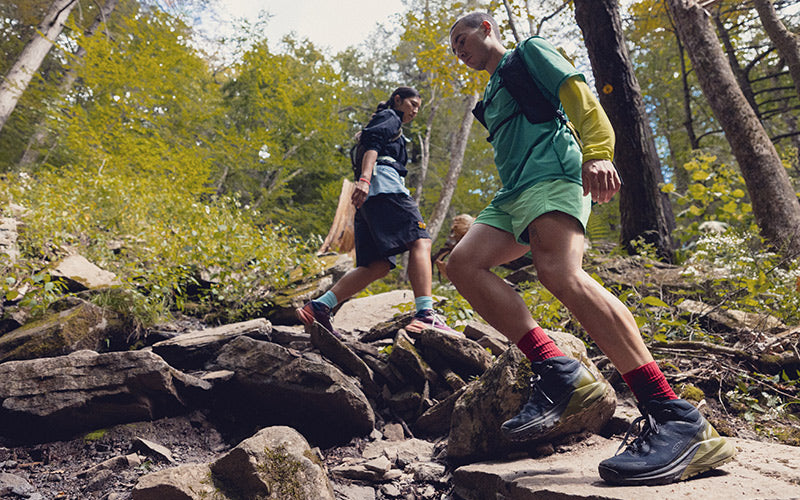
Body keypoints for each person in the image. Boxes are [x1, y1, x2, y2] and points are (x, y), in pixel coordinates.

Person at [446, 12, 734, 486]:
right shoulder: (491, 92)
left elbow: (576, 94)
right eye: (453, 47)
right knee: (463, 264)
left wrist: (598, 151)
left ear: (488, 27)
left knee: (559, 272)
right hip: (513, 192)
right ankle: (559, 371)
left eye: (463, 38)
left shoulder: (529, 53)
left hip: (554, 173)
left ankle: (676, 417)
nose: (459, 50)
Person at [297, 86, 458, 338]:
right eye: (412, 104)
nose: (415, 110)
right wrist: (364, 179)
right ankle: (426, 314)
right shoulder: (390, 117)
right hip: (383, 187)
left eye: (418, 107)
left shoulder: (387, 123)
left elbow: (370, 141)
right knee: (421, 241)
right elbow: (372, 144)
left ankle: (319, 306)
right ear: (397, 100)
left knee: (377, 265)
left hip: (369, 199)